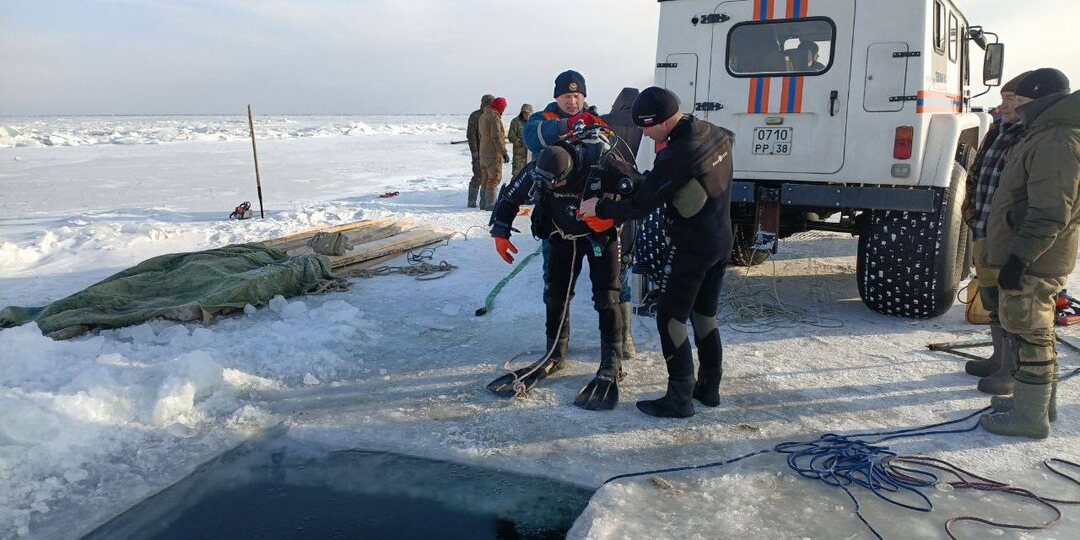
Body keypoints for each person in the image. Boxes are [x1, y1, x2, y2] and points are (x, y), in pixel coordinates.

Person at [580, 87, 734, 418]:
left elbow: (639, 206)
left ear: (662, 121)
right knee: (704, 314)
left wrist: (600, 206)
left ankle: (679, 399)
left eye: (646, 128)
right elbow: (671, 180)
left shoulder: (680, 152)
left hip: (692, 246)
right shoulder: (712, 132)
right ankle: (709, 387)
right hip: (721, 238)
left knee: (670, 318)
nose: (645, 135)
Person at [487, 131, 633, 410]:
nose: (554, 187)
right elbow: (510, 197)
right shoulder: (538, 168)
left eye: (558, 182)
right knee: (555, 294)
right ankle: (554, 353)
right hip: (560, 235)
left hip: (598, 235)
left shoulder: (604, 165)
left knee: (607, 298)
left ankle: (611, 361)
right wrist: (500, 233)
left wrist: (611, 214)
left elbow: (641, 194)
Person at [980, 68, 1077, 439]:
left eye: (1020, 100)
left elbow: (1050, 212)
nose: (1013, 106)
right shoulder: (1046, 134)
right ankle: (1034, 402)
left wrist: (1019, 258)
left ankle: (1030, 417)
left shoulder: (1056, 141)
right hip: (1030, 250)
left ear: (1039, 101)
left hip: (1037, 256)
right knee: (1027, 328)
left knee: (1031, 330)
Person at [958, 72, 1031, 390]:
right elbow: (979, 172)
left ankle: (1012, 372)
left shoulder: (1034, 135)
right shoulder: (998, 130)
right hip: (985, 226)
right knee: (991, 298)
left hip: (1010, 233)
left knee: (1013, 303)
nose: (1003, 105)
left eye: (1010, 99)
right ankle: (998, 359)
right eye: (1002, 98)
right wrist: (971, 213)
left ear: (1030, 102)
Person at [602, 87, 643, 359]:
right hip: (630, 204)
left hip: (600, 203)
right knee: (622, 270)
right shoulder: (645, 125)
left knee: (602, 276)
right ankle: (626, 339)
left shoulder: (604, 122)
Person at [477, 96, 510, 210]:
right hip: (492, 153)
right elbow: (496, 137)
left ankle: (483, 204)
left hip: (483, 152)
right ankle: (490, 206)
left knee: (485, 178)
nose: (504, 110)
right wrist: (503, 152)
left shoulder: (483, 116)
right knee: (494, 178)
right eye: (503, 108)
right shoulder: (494, 118)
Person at [467, 94, 495, 207]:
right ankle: (472, 200)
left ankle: (485, 202)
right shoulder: (475, 116)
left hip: (489, 152)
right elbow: (471, 135)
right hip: (478, 151)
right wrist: (474, 152)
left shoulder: (492, 115)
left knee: (489, 176)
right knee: (478, 175)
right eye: (490, 103)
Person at [507, 103, 534, 176]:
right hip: (519, 156)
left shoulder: (534, 122)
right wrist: (520, 142)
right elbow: (511, 137)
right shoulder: (516, 122)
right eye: (524, 113)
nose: (526, 115)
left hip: (532, 155)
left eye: (528, 113)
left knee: (530, 176)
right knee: (517, 176)